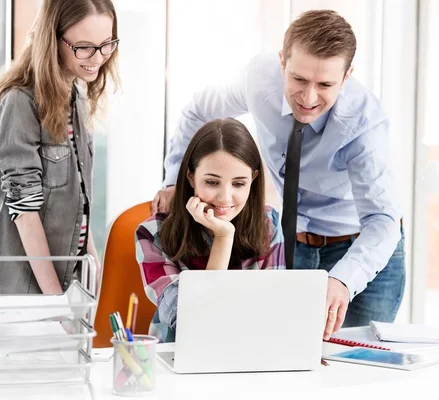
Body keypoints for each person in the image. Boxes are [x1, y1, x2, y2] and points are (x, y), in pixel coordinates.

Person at [151, 10, 405, 339]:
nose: (309, 98)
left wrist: (342, 279)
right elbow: (199, 110)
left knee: (356, 367)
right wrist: (173, 180)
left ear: (347, 76)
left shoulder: (364, 124)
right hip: (288, 242)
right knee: (285, 351)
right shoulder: (259, 78)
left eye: (325, 84)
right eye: (299, 79)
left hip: (359, 247)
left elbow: (382, 220)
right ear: (282, 62)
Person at [0, 0, 120, 294]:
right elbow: (25, 212)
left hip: (65, 286)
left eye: (107, 44)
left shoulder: (74, 95)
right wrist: (56, 302)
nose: (98, 57)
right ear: (52, 40)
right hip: (16, 292)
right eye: (84, 47)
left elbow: (80, 199)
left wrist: (93, 264)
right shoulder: (18, 102)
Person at [136, 118, 285, 342]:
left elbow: (275, 313)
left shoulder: (268, 223)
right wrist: (223, 238)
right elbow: (195, 322)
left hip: (251, 352)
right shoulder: (152, 233)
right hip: (179, 355)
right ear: (191, 177)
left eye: (238, 184)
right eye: (213, 182)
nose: (225, 197)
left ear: (252, 179)